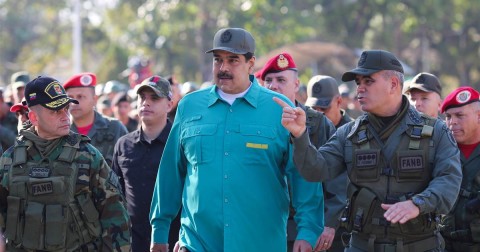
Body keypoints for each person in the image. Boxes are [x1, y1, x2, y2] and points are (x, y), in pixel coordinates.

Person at [149, 27, 323, 252]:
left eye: (233, 60)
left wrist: (308, 231)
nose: (223, 68)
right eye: (218, 60)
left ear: (251, 64)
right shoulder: (189, 107)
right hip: (198, 243)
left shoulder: (278, 108)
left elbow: (302, 172)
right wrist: (159, 230)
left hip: (260, 243)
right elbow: (170, 174)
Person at [274, 49, 462, 251]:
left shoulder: (435, 131)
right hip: (363, 245)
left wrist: (417, 204)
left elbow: (449, 180)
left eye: (368, 81)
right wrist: (301, 135)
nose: (360, 89)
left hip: (418, 245)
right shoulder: (349, 134)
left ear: (393, 84)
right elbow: (315, 170)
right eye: (358, 83)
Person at [0, 76, 130, 251]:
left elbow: (115, 215)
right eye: (56, 111)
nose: (65, 116)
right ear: (33, 117)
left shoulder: (88, 156)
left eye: (66, 108)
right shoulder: (10, 160)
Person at [259, 52, 339, 252]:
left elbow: (336, 177)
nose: (273, 85)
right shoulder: (255, 123)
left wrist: (328, 222)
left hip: (304, 226)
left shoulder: (317, 123)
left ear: (296, 85)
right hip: (264, 225)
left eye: (280, 80)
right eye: (268, 80)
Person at [112, 76, 180, 252]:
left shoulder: (180, 143)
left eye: (155, 98)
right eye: (142, 97)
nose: (146, 103)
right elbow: (116, 195)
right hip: (132, 243)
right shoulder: (123, 144)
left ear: (169, 105)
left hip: (172, 242)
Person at [440, 86, 480, 251]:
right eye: (448, 116)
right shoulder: (440, 151)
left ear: (479, 116)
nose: (452, 122)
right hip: (443, 244)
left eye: (460, 115)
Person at [63, 72, 128, 165]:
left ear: (94, 100)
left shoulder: (115, 129)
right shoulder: (60, 130)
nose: (73, 103)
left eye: (80, 97)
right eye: (70, 97)